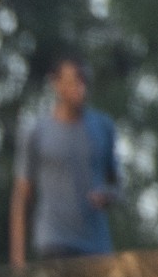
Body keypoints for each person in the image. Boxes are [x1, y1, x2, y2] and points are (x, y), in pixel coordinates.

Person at [9, 54, 122, 265]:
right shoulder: (36, 132)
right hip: (55, 241)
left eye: (83, 81)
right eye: (72, 81)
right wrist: (17, 261)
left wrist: (108, 195)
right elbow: (22, 195)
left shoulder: (103, 127)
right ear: (56, 83)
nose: (79, 87)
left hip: (97, 245)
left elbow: (116, 184)